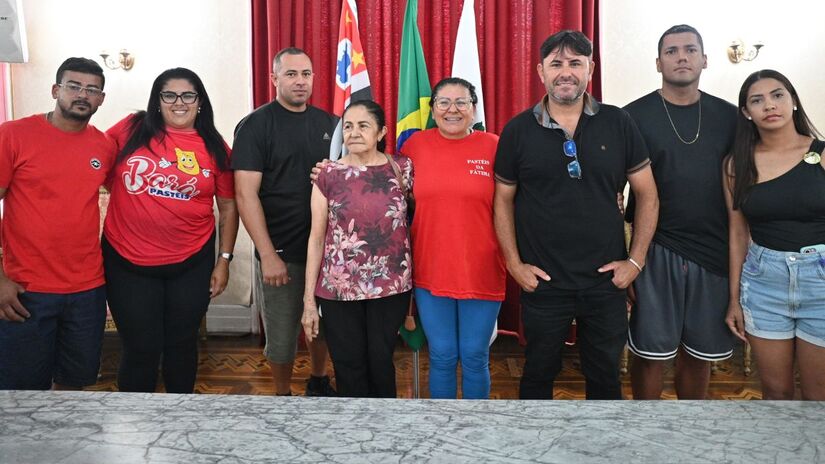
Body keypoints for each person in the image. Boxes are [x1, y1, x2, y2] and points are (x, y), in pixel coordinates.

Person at [493, 30, 659, 400]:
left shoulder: (619, 123)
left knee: (605, 380)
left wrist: (635, 261)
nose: (565, 72)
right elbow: (502, 200)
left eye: (575, 63)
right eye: (556, 64)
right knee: (537, 376)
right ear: (540, 71)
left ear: (590, 69)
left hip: (605, 282)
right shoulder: (517, 130)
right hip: (543, 281)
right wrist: (514, 264)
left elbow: (647, 194)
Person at [103, 67, 239, 393]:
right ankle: (138, 434)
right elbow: (95, 162)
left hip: (191, 263)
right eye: (169, 95)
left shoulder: (215, 147)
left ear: (200, 101)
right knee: (140, 348)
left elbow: (229, 208)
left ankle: (179, 423)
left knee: (181, 345)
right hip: (127, 261)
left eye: (188, 95)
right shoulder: (131, 128)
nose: (179, 102)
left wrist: (223, 261)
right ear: (158, 100)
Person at [623, 25, 737, 400]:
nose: (682, 57)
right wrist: (629, 260)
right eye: (671, 51)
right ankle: (645, 430)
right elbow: (615, 197)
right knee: (650, 354)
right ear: (658, 63)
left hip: (714, 252)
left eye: (690, 50)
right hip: (655, 250)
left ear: (705, 59)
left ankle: (689, 431)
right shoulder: (631, 117)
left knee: (699, 353)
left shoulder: (731, 117)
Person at [0, 57, 115, 390]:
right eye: (74, 86)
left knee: (75, 387)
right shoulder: (13, 135)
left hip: (87, 290)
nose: (83, 95)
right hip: (25, 290)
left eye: (92, 89)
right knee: (20, 393)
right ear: (56, 90)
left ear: (101, 99)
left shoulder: (103, 146)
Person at [233, 47, 336, 396]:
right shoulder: (256, 125)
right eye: (291, 74)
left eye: (306, 74)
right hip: (280, 250)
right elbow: (245, 195)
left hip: (326, 252)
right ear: (274, 79)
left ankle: (319, 380)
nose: (300, 81)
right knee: (281, 334)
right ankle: (281, 394)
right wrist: (268, 253)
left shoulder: (331, 124)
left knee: (322, 327)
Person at [398, 77, 505, 399]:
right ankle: (441, 435)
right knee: (442, 356)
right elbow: (384, 186)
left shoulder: (494, 145)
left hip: (482, 268)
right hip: (431, 268)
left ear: (474, 109)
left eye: (462, 102)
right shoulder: (414, 146)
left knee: (474, 356)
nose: (452, 110)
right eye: (443, 102)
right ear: (433, 109)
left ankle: (474, 434)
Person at [724, 69, 825, 400]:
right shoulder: (736, 164)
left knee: (817, 395)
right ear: (746, 112)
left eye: (778, 95)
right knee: (776, 392)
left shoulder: (821, 154)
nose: (769, 105)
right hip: (764, 283)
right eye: (757, 100)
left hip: (820, 280)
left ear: (793, 101)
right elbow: (738, 234)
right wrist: (734, 298)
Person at [301, 100, 412, 398]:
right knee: (348, 364)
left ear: (381, 132)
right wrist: (308, 300)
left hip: (390, 286)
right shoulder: (328, 174)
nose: (354, 132)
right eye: (348, 126)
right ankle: (353, 434)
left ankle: (384, 432)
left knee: (380, 360)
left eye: (363, 125)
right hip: (339, 288)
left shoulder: (402, 168)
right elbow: (316, 237)